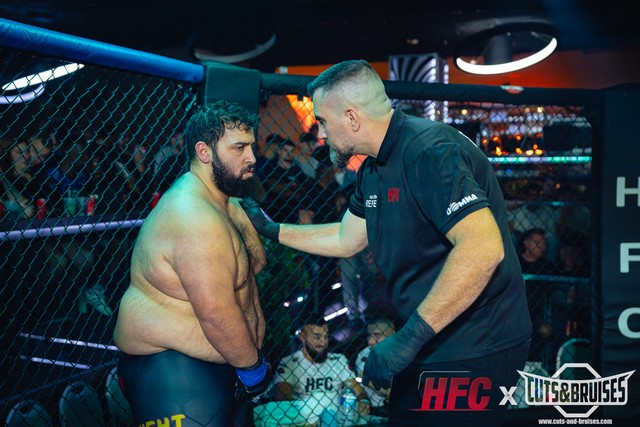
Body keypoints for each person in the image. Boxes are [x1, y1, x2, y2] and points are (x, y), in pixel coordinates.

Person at [241, 59, 531, 426]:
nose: (321, 133)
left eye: (323, 121)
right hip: (431, 335)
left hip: (477, 341)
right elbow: (347, 238)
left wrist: (408, 339)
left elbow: (484, 248)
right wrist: (272, 229)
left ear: (351, 117)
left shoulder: (428, 150)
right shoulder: (373, 168)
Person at [113, 100, 273, 427]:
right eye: (239, 148)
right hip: (174, 369)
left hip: (225, 363)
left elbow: (255, 264)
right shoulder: (193, 216)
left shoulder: (221, 202)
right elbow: (215, 314)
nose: (252, 157)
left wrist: (238, 205)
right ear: (204, 152)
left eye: (251, 146)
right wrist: (253, 368)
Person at [273, 310, 370, 418]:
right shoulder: (289, 362)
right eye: (317, 337)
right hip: (303, 418)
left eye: (326, 336)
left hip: (335, 417)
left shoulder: (338, 359)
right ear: (302, 337)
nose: (323, 342)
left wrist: (364, 400)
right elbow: (283, 396)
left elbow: (358, 390)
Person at [354, 317, 396, 417]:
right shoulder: (364, 355)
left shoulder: (407, 353)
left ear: (392, 335)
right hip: (375, 409)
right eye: (369, 335)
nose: (370, 341)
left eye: (377, 335)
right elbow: (366, 377)